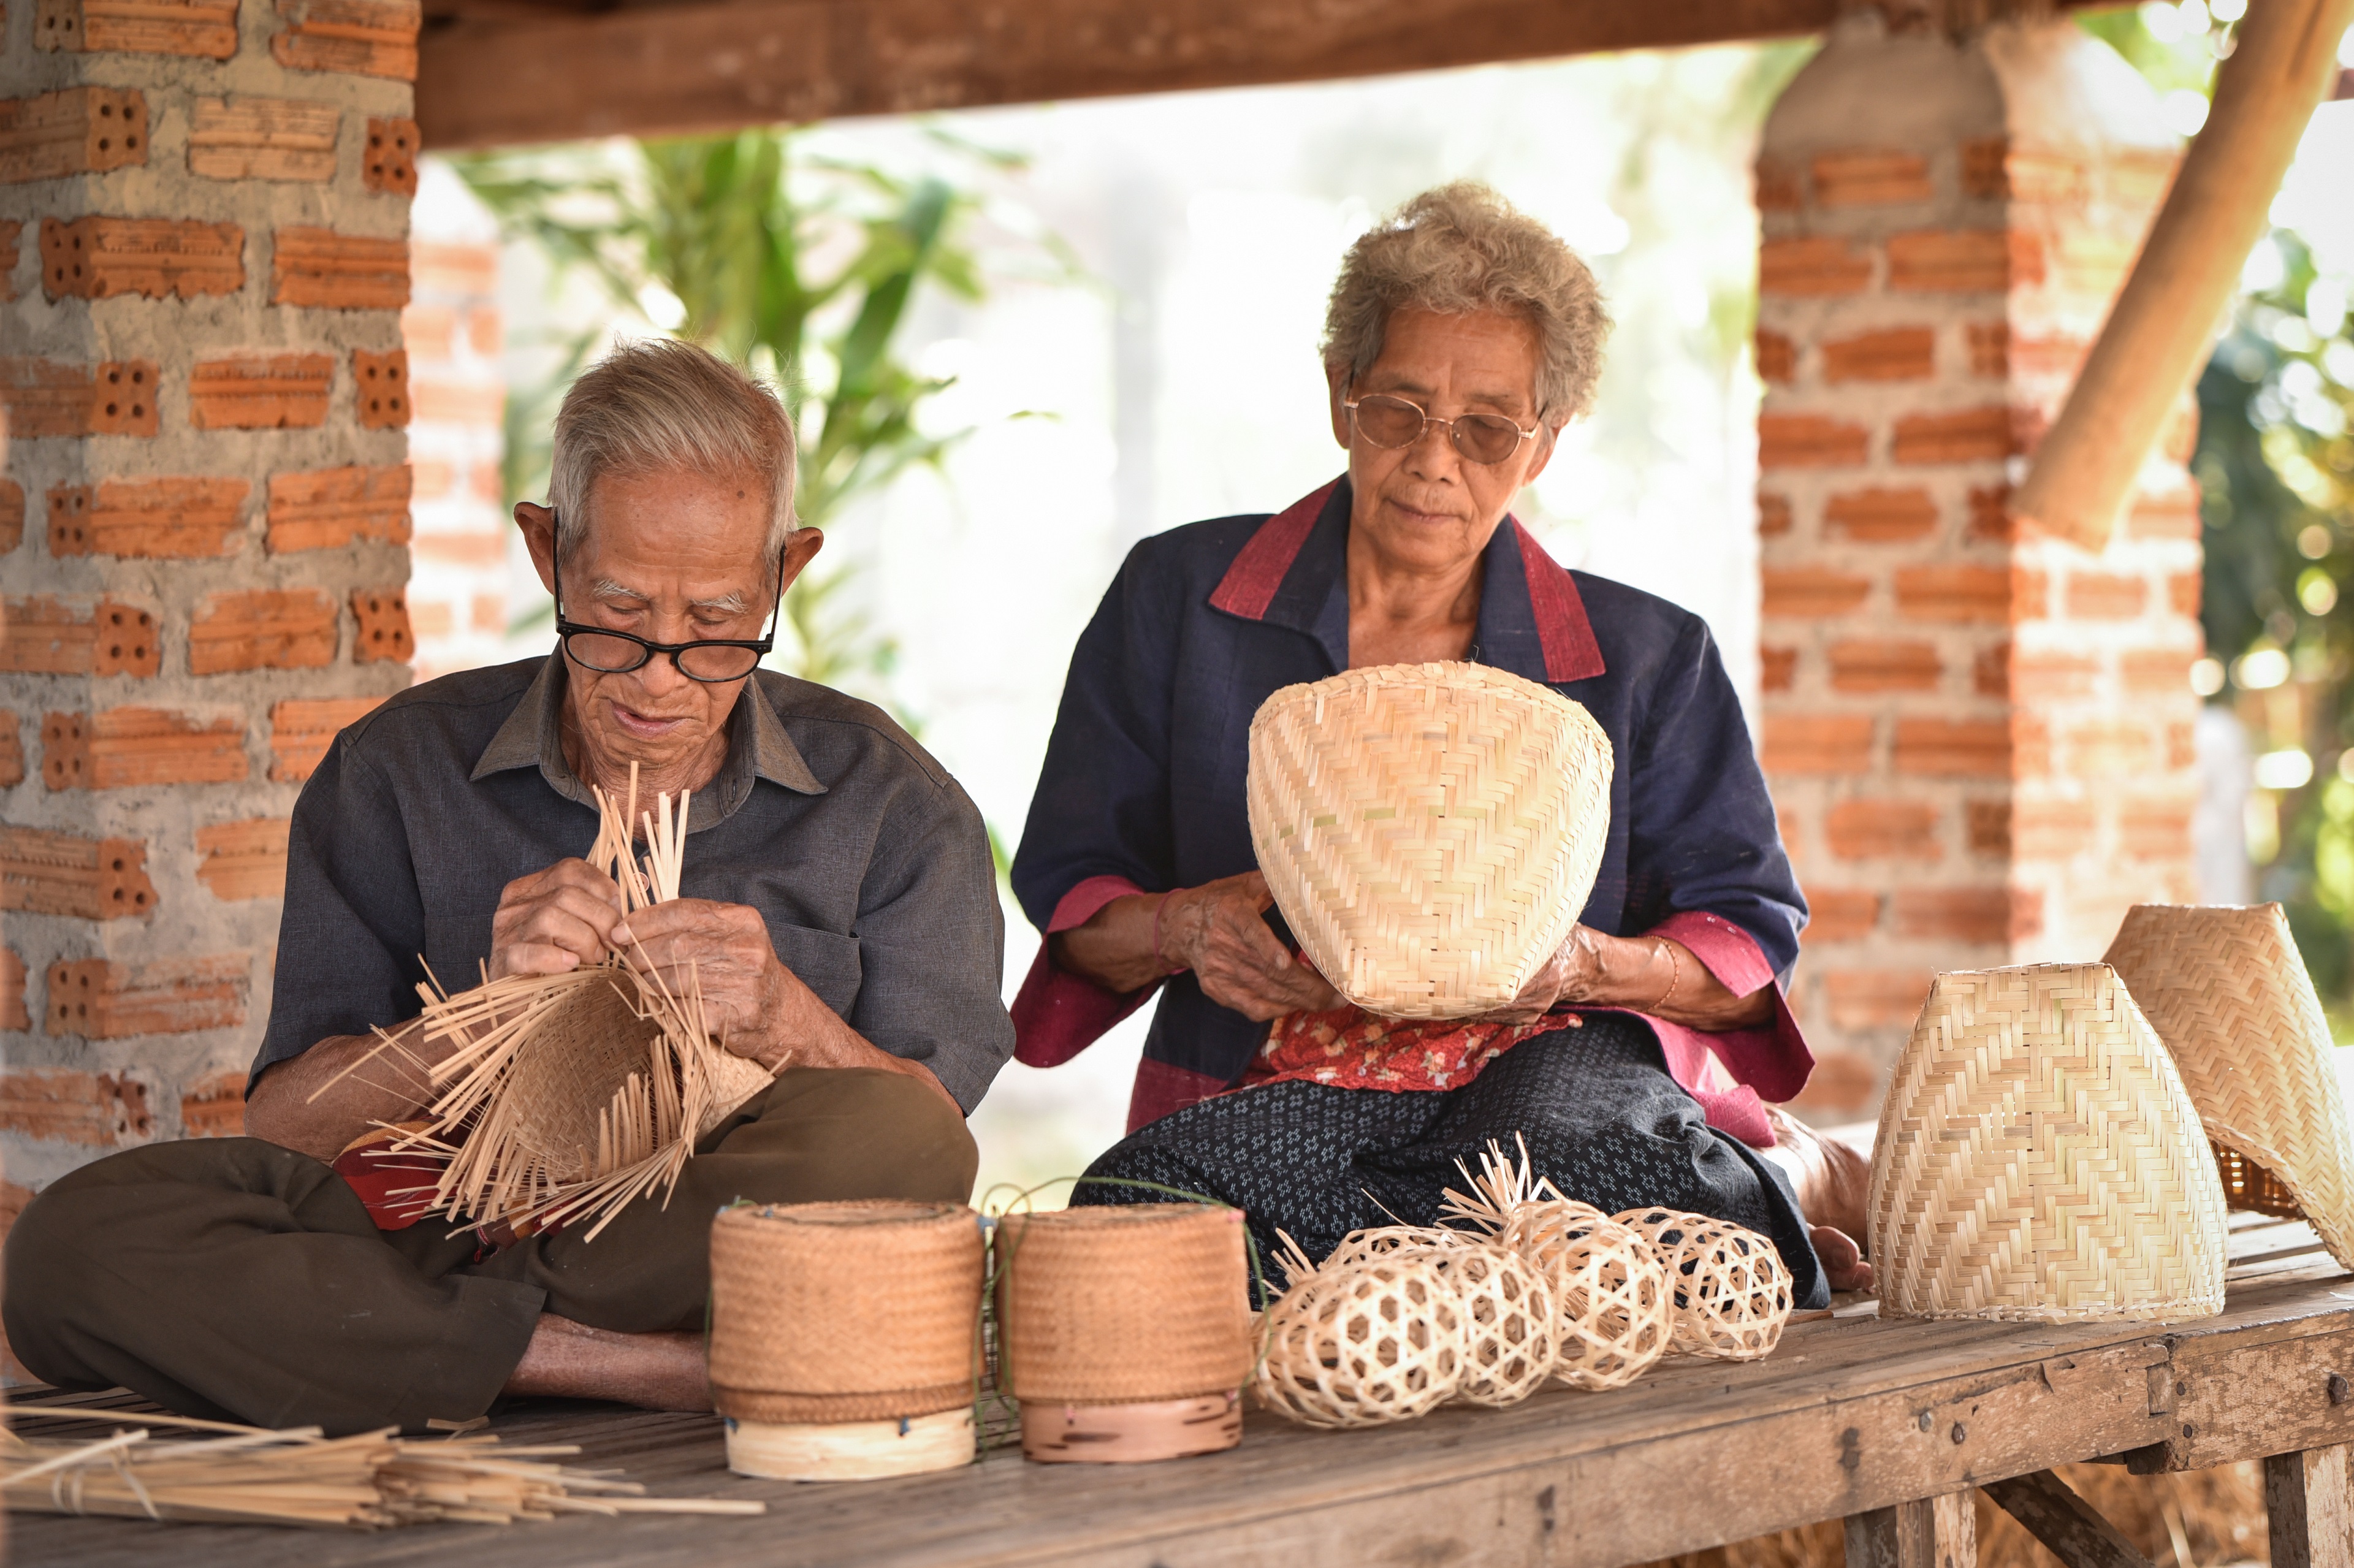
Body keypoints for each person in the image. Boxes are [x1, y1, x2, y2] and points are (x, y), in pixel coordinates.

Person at [4, 340, 1013, 1434]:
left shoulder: (891, 804)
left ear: (786, 571)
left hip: (685, 1235)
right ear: (548, 551)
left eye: (718, 626)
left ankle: (392, 1343)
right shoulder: (396, 771)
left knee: (900, 1149)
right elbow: (288, 1126)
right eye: (619, 616)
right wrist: (476, 1019)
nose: (662, 674)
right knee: (71, 1243)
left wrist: (781, 1012)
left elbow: (929, 1144)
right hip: (428, 1222)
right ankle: (619, 1366)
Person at [1010, 183, 1867, 1308]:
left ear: (1545, 445)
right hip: (1290, 1080)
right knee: (1140, 1229)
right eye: (1398, 410)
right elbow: (1077, 900)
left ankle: (1778, 1170)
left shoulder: (1648, 654)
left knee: (1564, 1163)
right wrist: (1186, 929)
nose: (1433, 461)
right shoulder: (1181, 600)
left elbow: (1746, 943)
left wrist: (1579, 964)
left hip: (1545, 1070)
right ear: (1339, 398)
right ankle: (1731, 1193)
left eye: (1486, 430)